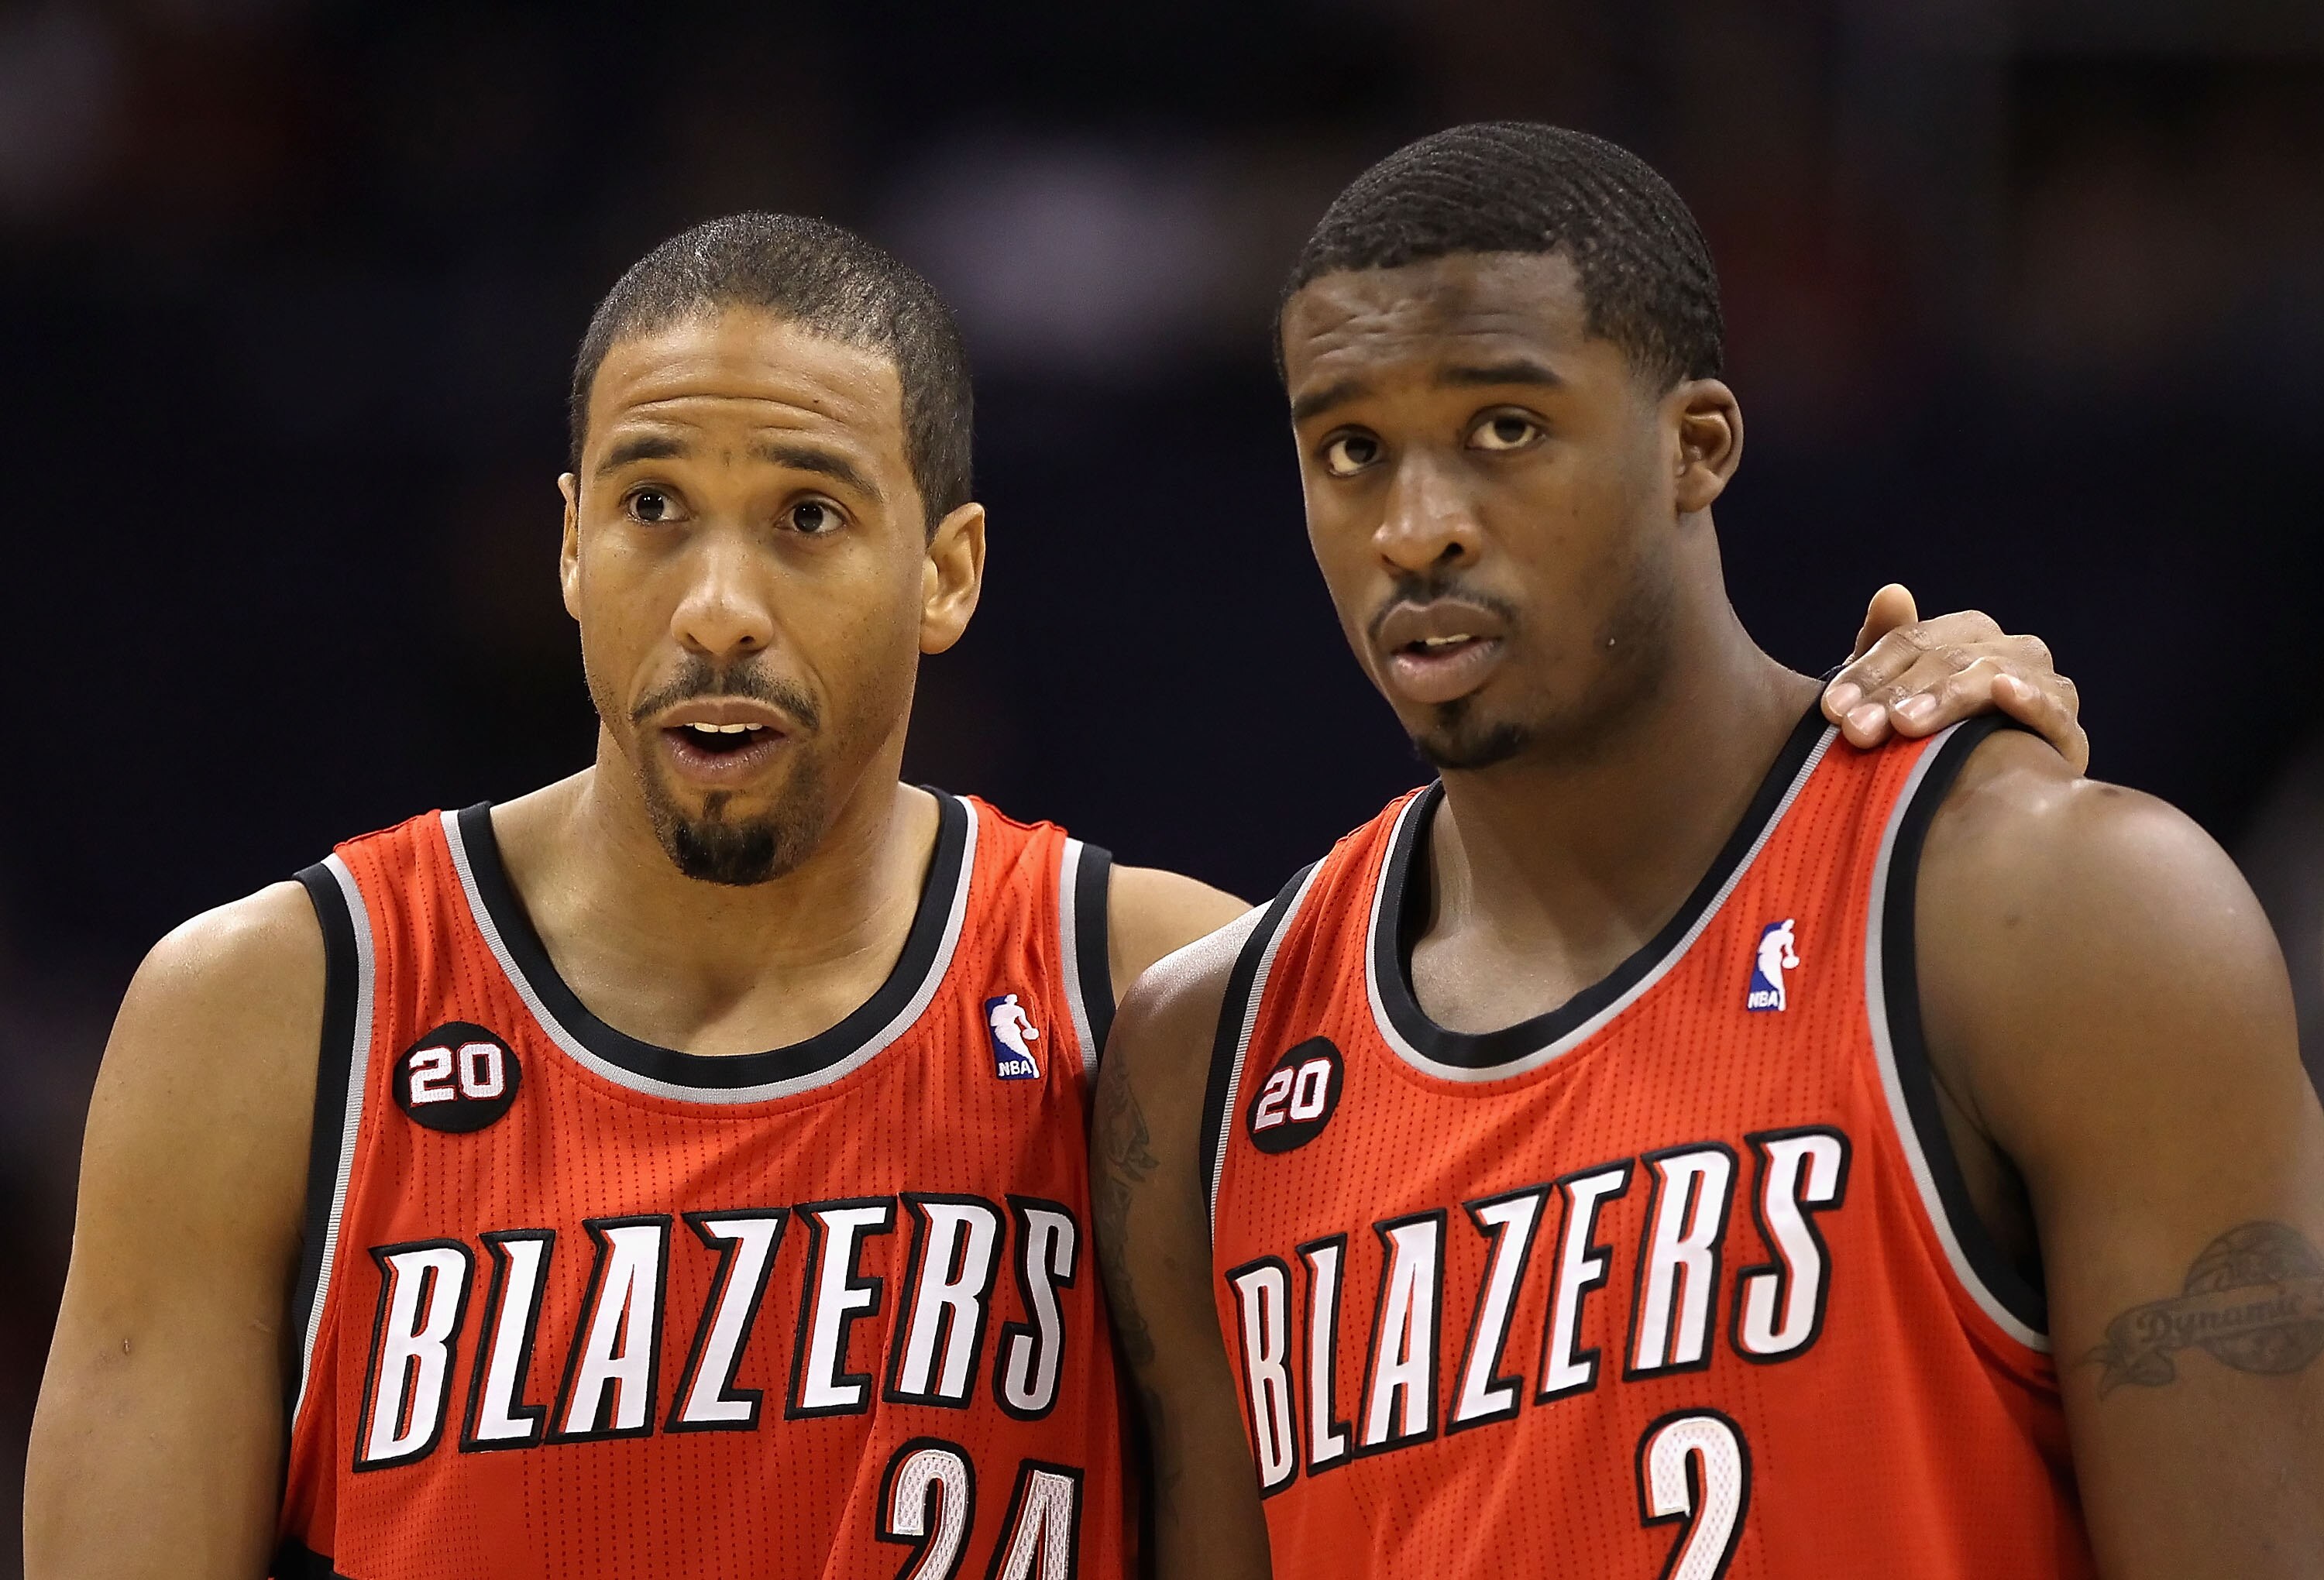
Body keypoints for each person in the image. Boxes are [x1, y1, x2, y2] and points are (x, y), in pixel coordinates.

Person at [24, 211, 2078, 1580]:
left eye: (810, 519)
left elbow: (1657, 1084)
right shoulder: (276, 1016)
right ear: (566, 547)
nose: (719, 607)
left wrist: (1880, 777)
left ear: (949, 573)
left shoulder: (1170, 1000)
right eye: (654, 509)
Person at [1095, 123, 2324, 1580]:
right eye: (1351, 451)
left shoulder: (2052, 915)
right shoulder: (1203, 1062)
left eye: (1505, 427)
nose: (1415, 530)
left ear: (1697, 449)